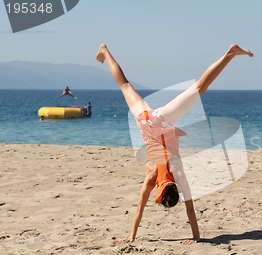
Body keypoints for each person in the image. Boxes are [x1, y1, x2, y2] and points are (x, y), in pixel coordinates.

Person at [95, 43, 253, 244]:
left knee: (199, 87)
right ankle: (105, 51)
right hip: (148, 118)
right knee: (125, 86)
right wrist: (132, 236)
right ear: (160, 191)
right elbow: (139, 209)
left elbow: (189, 209)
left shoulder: (178, 175)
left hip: (162, 119)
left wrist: (196, 236)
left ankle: (230, 54)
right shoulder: (152, 178)